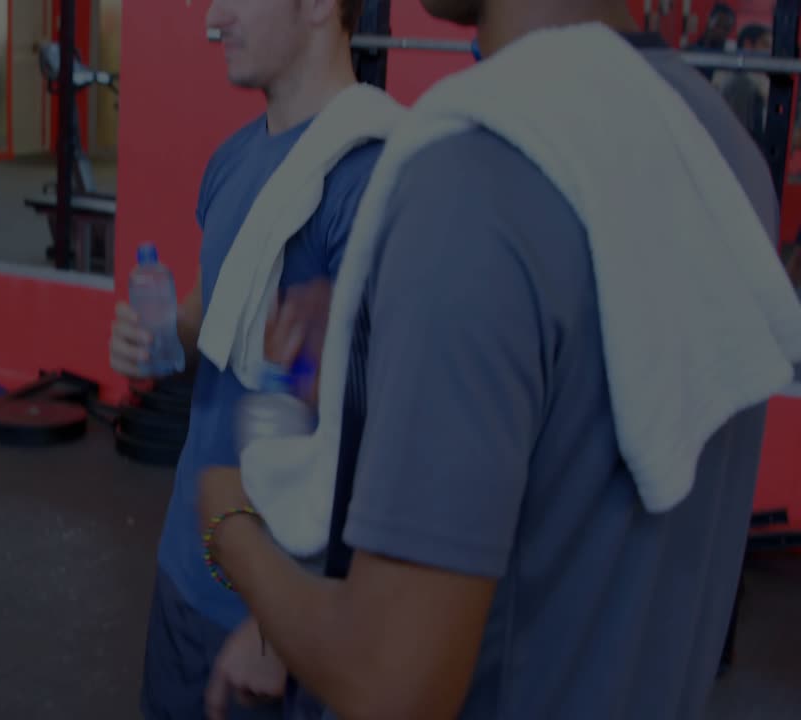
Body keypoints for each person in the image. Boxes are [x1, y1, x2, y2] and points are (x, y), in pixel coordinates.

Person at [197, 0, 796, 718]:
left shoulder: (472, 179)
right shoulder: (715, 145)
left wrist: (228, 517)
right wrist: (394, 345)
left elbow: (393, 685)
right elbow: (584, 410)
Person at [107, 0, 391, 717]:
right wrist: (159, 339)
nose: (212, 19)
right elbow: (213, 324)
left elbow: (377, 433)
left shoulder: (369, 178)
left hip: (275, 603)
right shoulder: (233, 158)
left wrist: (277, 623)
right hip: (188, 558)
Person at [716, 24, 771, 144]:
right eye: (765, 44)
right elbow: (741, 137)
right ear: (748, 45)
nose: (770, 51)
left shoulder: (757, 81)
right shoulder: (741, 83)